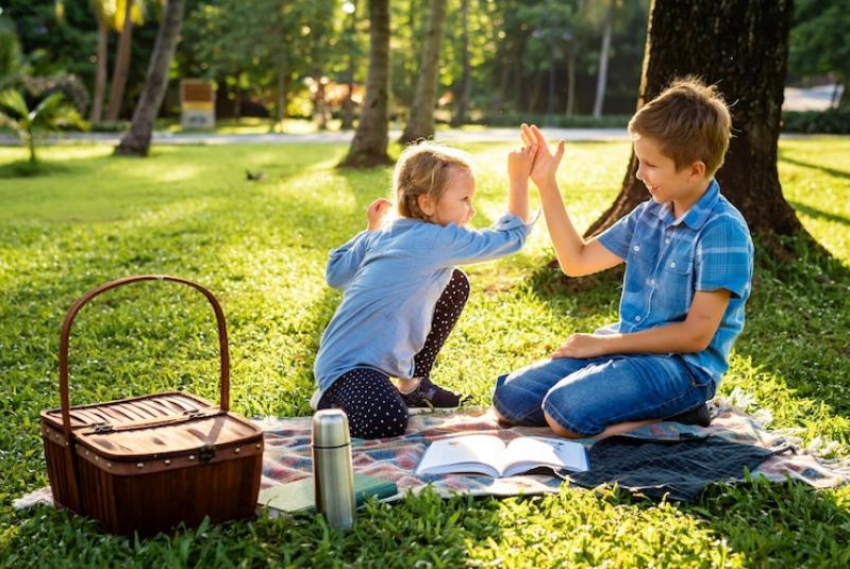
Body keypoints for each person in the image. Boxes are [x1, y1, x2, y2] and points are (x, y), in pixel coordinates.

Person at [494, 77, 754, 439]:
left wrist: (601, 345)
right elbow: (577, 260)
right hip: (628, 350)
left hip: (683, 369)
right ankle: (629, 397)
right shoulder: (649, 215)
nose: (638, 174)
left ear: (694, 170)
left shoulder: (722, 230)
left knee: (563, 413)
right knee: (511, 400)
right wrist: (546, 183)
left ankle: (687, 413)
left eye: (650, 165)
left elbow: (695, 336)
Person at [313, 141, 538, 439]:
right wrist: (519, 178)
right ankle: (329, 402)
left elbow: (336, 273)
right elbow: (511, 238)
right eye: (465, 200)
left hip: (343, 358)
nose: (470, 211)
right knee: (389, 419)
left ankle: (412, 386)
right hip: (349, 369)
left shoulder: (383, 234)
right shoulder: (437, 239)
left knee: (453, 282)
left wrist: (369, 231)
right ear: (427, 203)